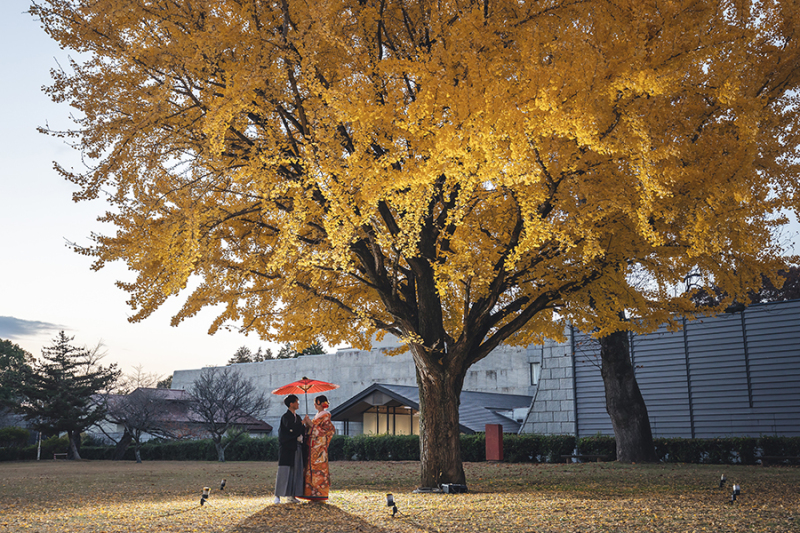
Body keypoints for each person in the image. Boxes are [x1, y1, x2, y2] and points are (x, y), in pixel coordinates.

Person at [299, 395, 336, 501]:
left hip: (319, 448)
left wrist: (311, 424)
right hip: (313, 447)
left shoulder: (325, 416)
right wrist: (308, 424)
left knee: (319, 470)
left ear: (320, 403)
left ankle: (319, 493)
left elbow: (327, 431)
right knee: (311, 469)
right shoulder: (318, 416)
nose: (314, 404)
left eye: (316, 402)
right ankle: (311, 493)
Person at [274, 394, 305, 504]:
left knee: (295, 471)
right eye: (296, 402)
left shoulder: (298, 417)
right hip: (287, 448)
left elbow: (301, 430)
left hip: (296, 447)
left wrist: (303, 427)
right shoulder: (285, 417)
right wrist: (301, 424)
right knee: (284, 471)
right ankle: (277, 496)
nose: (298, 404)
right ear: (291, 404)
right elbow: (290, 429)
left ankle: (291, 496)